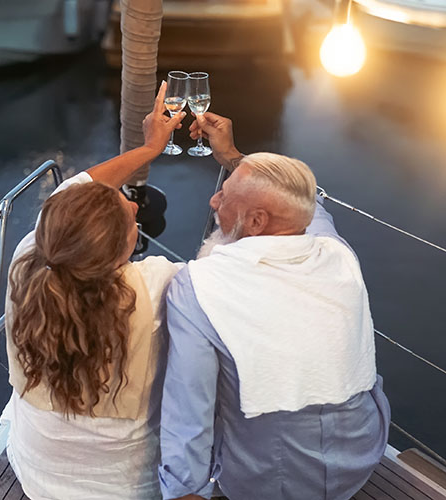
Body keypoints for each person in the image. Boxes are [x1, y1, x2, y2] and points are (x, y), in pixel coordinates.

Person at [158, 112, 391, 500]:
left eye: (225, 196)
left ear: (255, 221)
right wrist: (232, 155)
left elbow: (189, 413)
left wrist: (184, 492)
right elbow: (311, 207)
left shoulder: (198, 287)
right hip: (361, 455)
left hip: (271, 480)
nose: (214, 198)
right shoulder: (336, 251)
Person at [1, 82, 186, 500]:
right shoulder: (155, 286)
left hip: (37, 476)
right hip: (127, 489)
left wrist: (147, 148)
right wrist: (230, 160)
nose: (136, 206)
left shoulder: (30, 257)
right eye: (130, 214)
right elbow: (239, 268)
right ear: (122, 249)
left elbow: (71, 193)